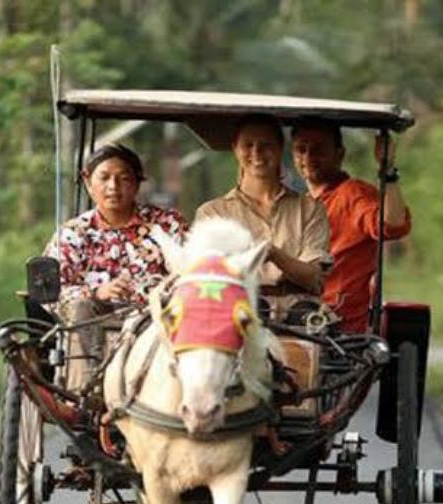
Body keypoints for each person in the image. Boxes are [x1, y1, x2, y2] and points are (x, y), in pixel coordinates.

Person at [45, 143, 187, 391]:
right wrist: (96, 293)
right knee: (79, 306)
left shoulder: (166, 224)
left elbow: (191, 271)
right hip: (94, 323)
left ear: (137, 184)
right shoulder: (73, 233)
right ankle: (91, 387)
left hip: (155, 320)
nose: (113, 187)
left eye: (123, 178)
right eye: (104, 178)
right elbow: (51, 290)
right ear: (88, 182)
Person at [196, 114, 331, 322]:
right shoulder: (213, 213)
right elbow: (209, 279)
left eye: (265, 145)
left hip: (300, 316)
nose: (256, 154)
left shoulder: (310, 209)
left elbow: (313, 278)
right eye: (248, 145)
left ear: (280, 148)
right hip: (239, 313)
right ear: (235, 148)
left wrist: (272, 253)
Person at [290, 117, 412, 333]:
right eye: (301, 149)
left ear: (340, 154)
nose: (308, 157)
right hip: (294, 316)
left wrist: (388, 170)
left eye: (318, 149)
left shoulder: (353, 194)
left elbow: (392, 225)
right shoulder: (299, 204)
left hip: (336, 327)